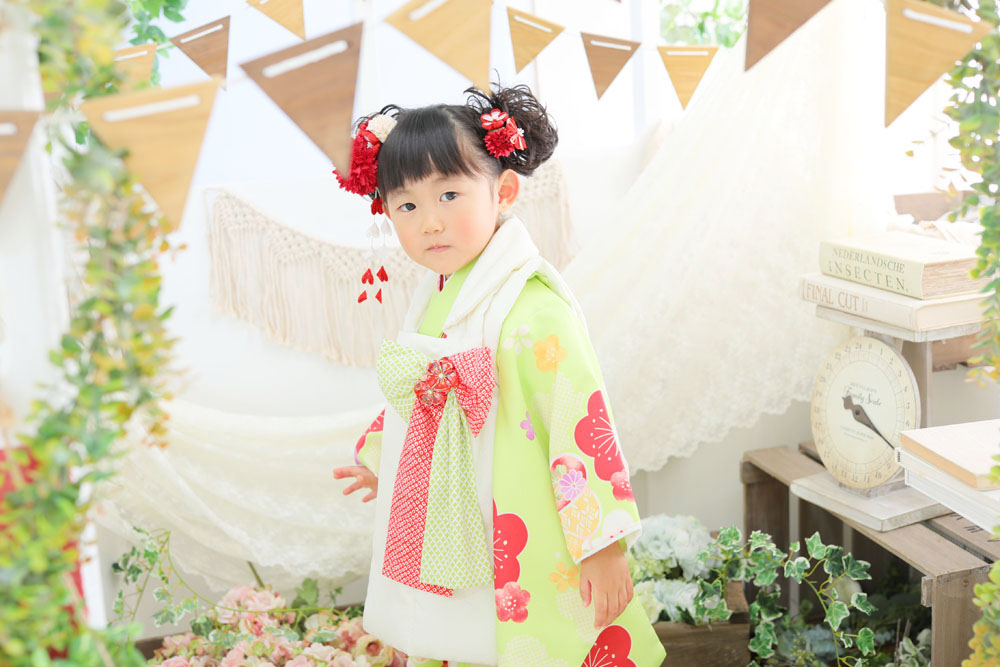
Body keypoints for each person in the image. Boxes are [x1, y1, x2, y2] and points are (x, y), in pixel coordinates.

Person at [332, 82, 665, 667]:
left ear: (503, 191)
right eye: (407, 206)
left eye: (449, 194)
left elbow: (580, 418)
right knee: (458, 631)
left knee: (536, 632)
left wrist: (603, 545)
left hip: (518, 499)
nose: (430, 223)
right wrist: (383, 455)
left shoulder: (532, 306)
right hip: (454, 503)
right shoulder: (435, 294)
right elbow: (423, 393)